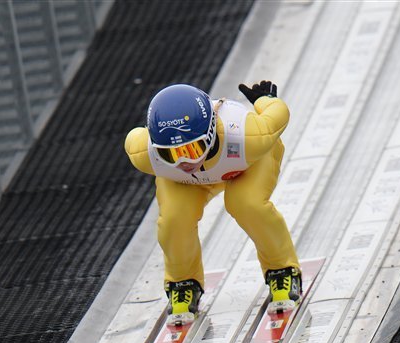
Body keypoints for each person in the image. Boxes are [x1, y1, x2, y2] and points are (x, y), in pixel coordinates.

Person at [125, 80, 301, 324]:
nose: (185, 162)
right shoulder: (145, 153)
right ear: (156, 147)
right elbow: (137, 140)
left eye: (193, 149)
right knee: (174, 219)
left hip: (247, 165)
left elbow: (277, 115)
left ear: (210, 133)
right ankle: (182, 283)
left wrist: (264, 100)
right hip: (188, 182)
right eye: (170, 153)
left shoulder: (249, 136)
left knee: (246, 203)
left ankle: (282, 270)